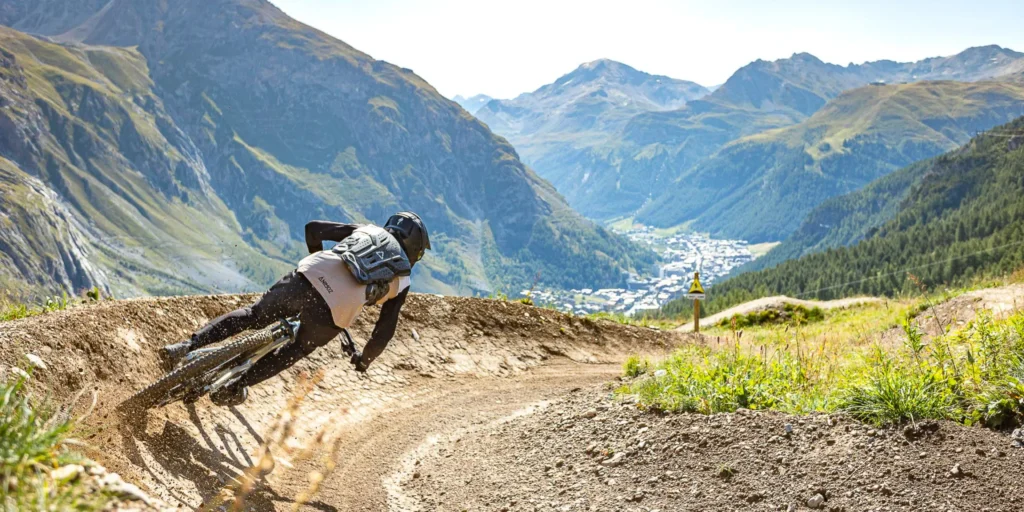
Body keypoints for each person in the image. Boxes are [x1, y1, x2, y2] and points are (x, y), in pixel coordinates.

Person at [159, 212, 430, 406]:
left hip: (308, 276)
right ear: (415, 249)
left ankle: (185, 347)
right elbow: (383, 332)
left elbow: (314, 228)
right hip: (335, 312)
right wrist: (364, 360)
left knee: (253, 315)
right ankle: (236, 386)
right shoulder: (402, 279)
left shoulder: (367, 230)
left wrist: (317, 260)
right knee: (296, 348)